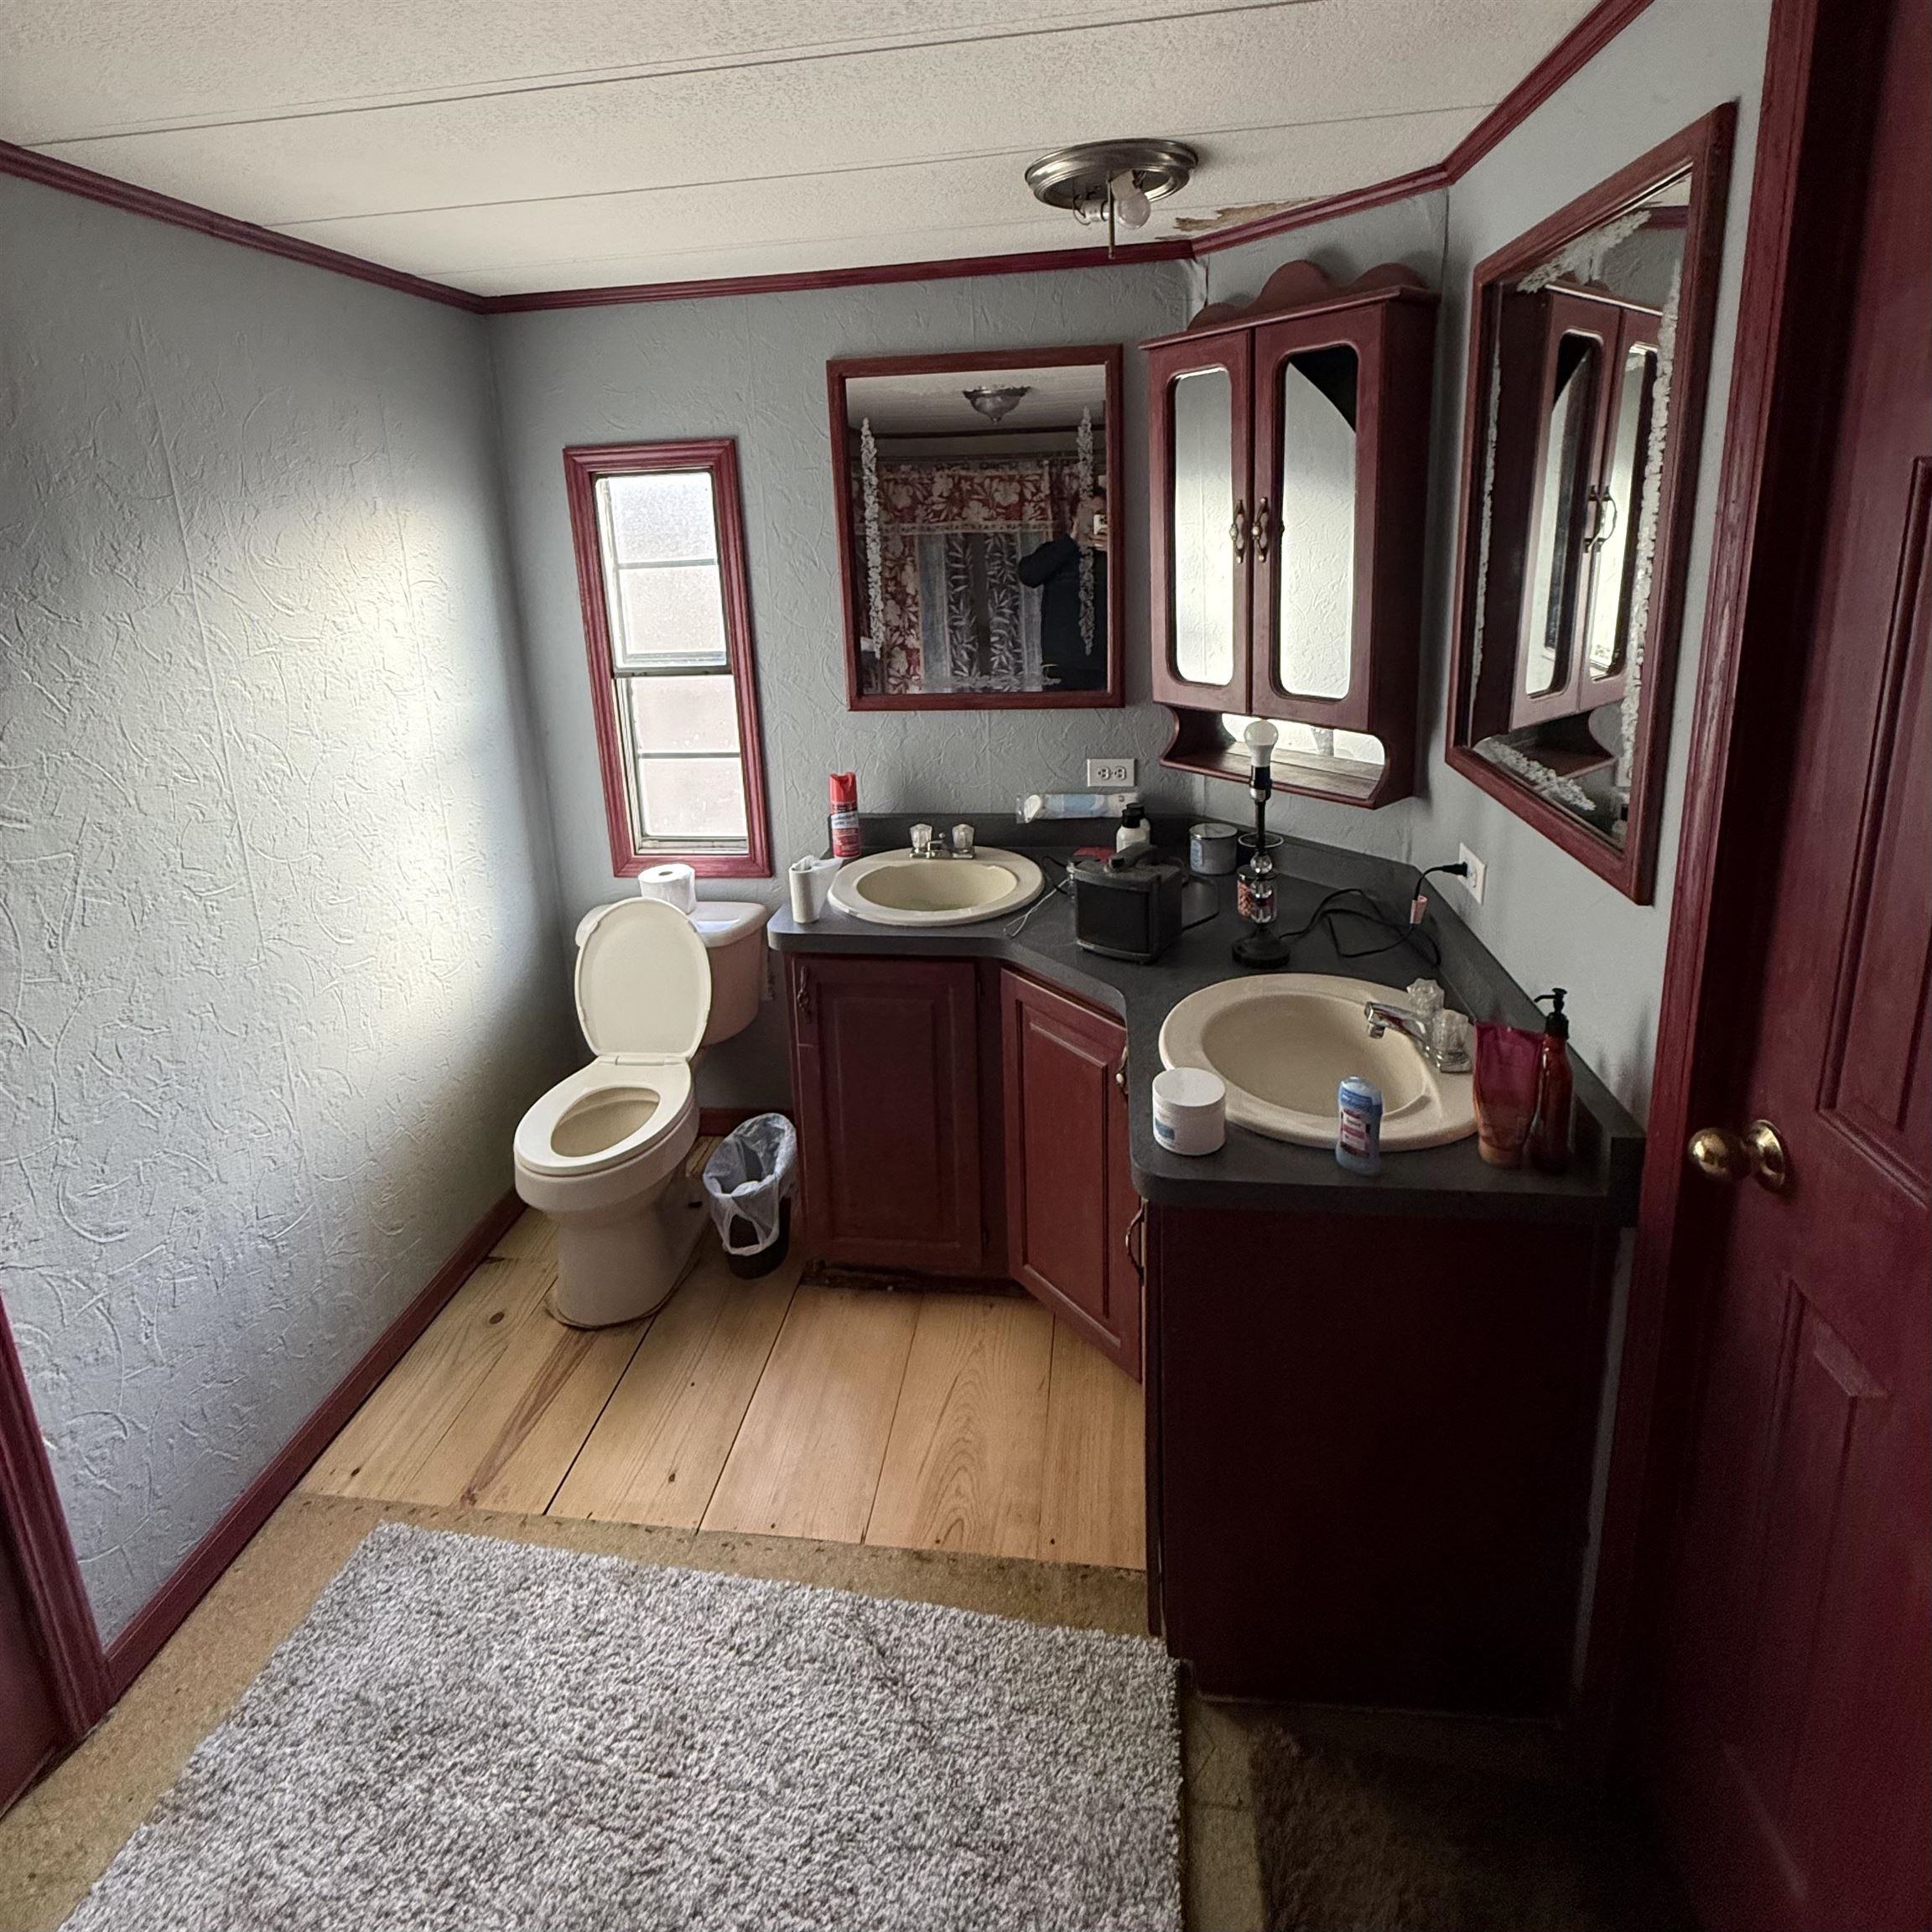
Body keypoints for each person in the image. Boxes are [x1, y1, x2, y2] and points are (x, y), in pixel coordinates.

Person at [1017, 494, 1108, 691]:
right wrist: (1072, 540)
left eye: (1101, 515)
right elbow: (1028, 575)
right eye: (1088, 513)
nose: (1093, 520)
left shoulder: (1117, 555)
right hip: (1061, 665)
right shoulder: (1057, 552)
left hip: (1104, 664)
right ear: (1075, 517)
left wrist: (1116, 552)